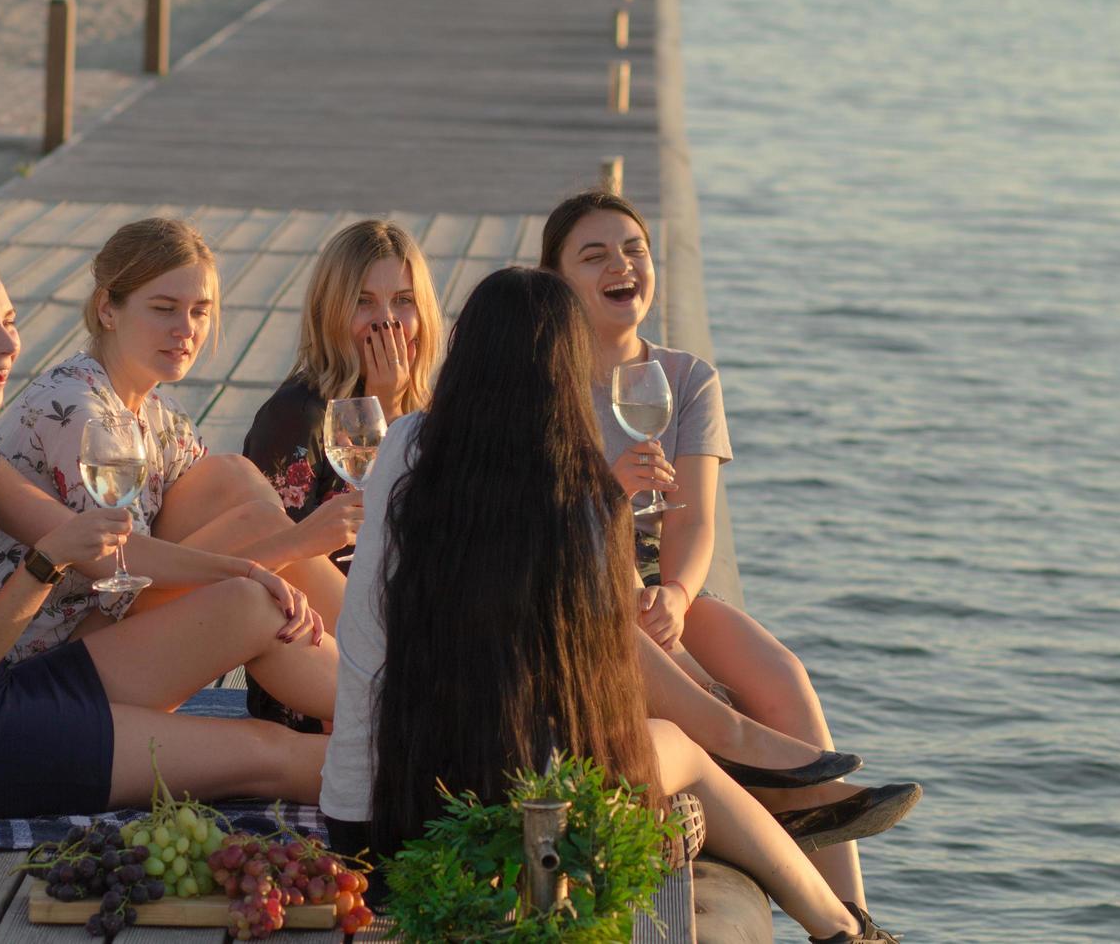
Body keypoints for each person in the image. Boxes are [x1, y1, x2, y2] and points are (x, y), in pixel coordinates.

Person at [321, 267, 898, 943]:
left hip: (366, 829)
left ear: (460, 349)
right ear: (571, 371)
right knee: (677, 749)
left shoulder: (403, 447)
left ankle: (804, 849)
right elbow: (598, 700)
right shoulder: (577, 498)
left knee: (666, 743)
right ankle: (843, 925)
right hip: (503, 843)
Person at [0, 247, 337, 818]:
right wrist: (44, 564)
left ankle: (410, 715)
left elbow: (115, 552)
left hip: (11, 697)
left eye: (9, 322)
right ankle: (424, 765)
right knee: (270, 754)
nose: (8, 345)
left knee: (249, 602)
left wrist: (246, 568)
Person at [542, 190, 920, 905]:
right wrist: (610, 495)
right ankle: (788, 800)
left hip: (659, 571)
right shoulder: (543, 384)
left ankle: (855, 914)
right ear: (556, 280)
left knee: (780, 674)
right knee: (704, 685)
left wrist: (679, 597)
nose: (621, 265)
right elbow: (539, 521)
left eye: (633, 249)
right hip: (578, 568)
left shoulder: (687, 379)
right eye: (594, 256)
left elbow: (692, 520)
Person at [0, 217, 355, 666]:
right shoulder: (77, 409)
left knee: (233, 483)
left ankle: (376, 667)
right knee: (259, 558)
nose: (187, 328)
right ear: (107, 309)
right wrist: (293, 546)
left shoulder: (161, 415)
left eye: (200, 310)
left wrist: (275, 553)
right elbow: (129, 593)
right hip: (40, 653)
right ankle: (380, 680)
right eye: (164, 308)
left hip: (103, 622)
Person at [243, 219, 442, 562]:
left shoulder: (435, 410)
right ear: (330, 311)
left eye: (403, 300)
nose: (386, 320)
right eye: (363, 302)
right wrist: (380, 409)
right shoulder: (297, 415)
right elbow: (282, 558)